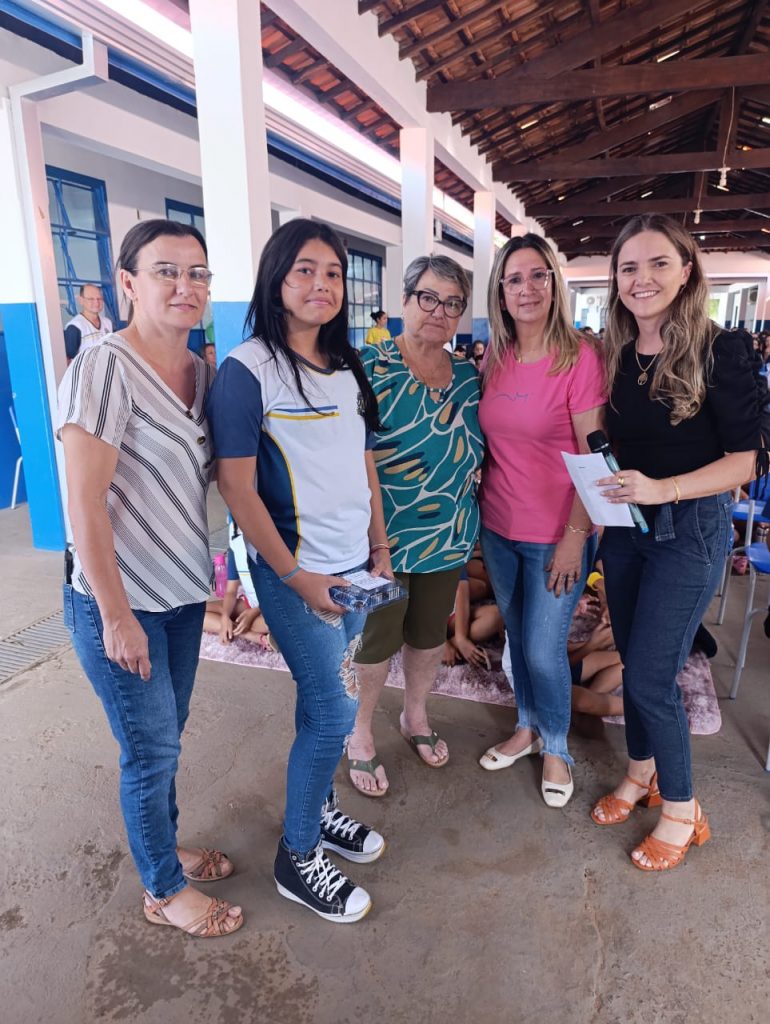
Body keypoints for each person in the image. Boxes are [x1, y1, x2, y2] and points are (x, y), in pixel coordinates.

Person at [58, 219, 243, 937]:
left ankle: (165, 848)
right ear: (127, 284)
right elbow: (84, 501)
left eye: (197, 273)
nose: (185, 286)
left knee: (168, 735)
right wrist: (114, 613)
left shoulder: (203, 372)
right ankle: (163, 890)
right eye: (166, 271)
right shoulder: (105, 365)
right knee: (149, 749)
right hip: (121, 602)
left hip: (180, 594)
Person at [208, 218, 389, 925]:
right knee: (335, 712)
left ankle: (318, 807)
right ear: (277, 280)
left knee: (322, 704)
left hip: (354, 568)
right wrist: (294, 578)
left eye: (334, 274)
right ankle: (298, 854)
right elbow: (236, 487)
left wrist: (379, 546)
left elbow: (362, 463)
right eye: (305, 271)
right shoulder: (247, 368)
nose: (322, 285)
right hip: (295, 574)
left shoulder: (348, 366)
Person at [591, 213, 764, 871]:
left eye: (658, 263)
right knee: (637, 669)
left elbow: (743, 463)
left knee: (656, 677)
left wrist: (664, 489)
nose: (642, 278)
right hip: (626, 532)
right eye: (629, 266)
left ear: (686, 270)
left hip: (688, 530)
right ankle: (640, 774)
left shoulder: (722, 351)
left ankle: (684, 811)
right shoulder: (613, 353)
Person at [476, 233, 607, 808]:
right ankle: (527, 727)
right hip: (499, 527)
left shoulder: (579, 357)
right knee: (516, 638)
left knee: (541, 648)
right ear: (500, 294)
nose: (526, 288)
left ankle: (556, 745)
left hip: (559, 532)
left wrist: (576, 537)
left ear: (554, 283)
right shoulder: (495, 356)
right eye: (514, 279)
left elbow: (594, 459)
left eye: (537, 276)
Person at [346, 255, 483, 797]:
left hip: (448, 536)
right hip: (383, 539)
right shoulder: (368, 365)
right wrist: (374, 539)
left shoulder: (470, 377)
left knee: (428, 637)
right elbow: (354, 457)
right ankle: (358, 733)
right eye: (428, 298)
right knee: (375, 643)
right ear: (404, 302)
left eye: (452, 304)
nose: (438, 312)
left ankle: (415, 716)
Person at [204, 547, 271, 647]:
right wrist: (225, 616)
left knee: (273, 625)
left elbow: (284, 592)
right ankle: (250, 635)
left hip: (272, 606)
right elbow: (231, 591)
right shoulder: (235, 546)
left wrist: (254, 612)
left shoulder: (271, 545)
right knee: (196, 614)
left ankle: (233, 627)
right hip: (250, 601)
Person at [64, 284, 113, 361]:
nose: (96, 302)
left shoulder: (108, 323)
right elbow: (68, 359)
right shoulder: (75, 326)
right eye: (91, 299)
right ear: (81, 300)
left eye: (99, 299)